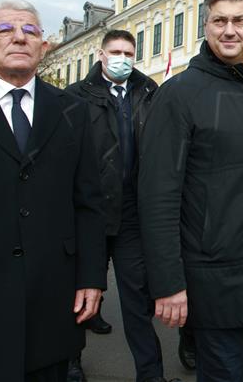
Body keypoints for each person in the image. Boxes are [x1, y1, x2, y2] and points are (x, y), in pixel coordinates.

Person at [138, 0, 243, 381]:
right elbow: (158, 195)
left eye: (239, 21)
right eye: (219, 21)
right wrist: (168, 283)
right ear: (207, 28)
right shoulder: (179, 94)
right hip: (214, 273)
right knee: (222, 372)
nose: (229, 30)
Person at [0, 0, 106, 381]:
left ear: (43, 47)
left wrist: (91, 276)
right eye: (4, 29)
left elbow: (88, 201)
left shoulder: (72, 110)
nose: (19, 37)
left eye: (31, 31)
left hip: (52, 296)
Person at [65, 31, 176, 382]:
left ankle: (151, 375)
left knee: (137, 299)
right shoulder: (74, 97)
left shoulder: (149, 93)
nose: (123, 58)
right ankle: (71, 362)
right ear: (101, 54)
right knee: (81, 292)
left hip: (132, 210)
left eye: (128, 52)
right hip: (88, 210)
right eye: (115, 51)